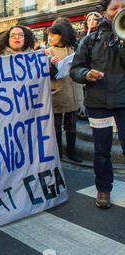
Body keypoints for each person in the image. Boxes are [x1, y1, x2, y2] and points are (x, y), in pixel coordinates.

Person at [70, 0, 125, 209]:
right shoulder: (90, 39)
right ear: (104, 12)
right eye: (115, 8)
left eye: (123, 7)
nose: (120, 11)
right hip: (98, 102)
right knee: (102, 150)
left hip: (123, 100)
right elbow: (76, 69)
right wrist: (86, 74)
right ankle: (103, 189)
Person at [46, 22, 82, 163]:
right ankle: (58, 153)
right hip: (56, 93)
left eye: (53, 35)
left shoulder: (73, 49)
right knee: (56, 127)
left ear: (62, 36)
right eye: (49, 35)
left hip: (71, 92)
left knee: (71, 125)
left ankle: (72, 152)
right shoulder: (48, 51)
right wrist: (51, 65)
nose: (50, 38)